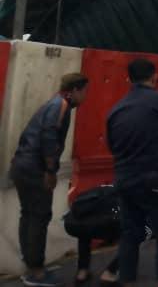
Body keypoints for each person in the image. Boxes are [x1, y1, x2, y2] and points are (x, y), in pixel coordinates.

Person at [107, 58, 158, 287]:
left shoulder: (116, 109)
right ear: (155, 77)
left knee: (130, 236)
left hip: (125, 181)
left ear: (128, 80)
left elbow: (113, 147)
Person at [9, 73, 89, 287]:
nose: (86, 96)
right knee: (39, 216)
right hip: (34, 169)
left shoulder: (54, 103)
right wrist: (51, 171)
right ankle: (36, 272)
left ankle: (31, 265)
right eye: (85, 91)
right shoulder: (60, 105)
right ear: (75, 90)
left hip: (21, 165)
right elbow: (49, 137)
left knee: (29, 214)